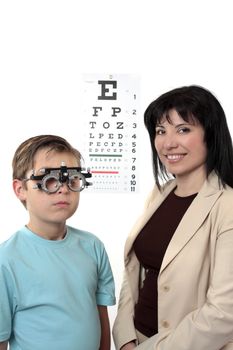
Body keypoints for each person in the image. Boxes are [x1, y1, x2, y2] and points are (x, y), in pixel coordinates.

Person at [113, 85, 233, 350]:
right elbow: (134, 272)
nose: (168, 143)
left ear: (210, 134)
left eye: (183, 129)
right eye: (160, 131)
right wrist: (124, 339)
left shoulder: (228, 206)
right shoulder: (159, 193)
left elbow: (226, 311)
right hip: (137, 339)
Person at [0, 134, 116, 350]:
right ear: (20, 189)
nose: (63, 189)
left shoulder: (93, 247)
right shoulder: (6, 260)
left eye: (71, 179)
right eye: (49, 180)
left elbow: (101, 319)